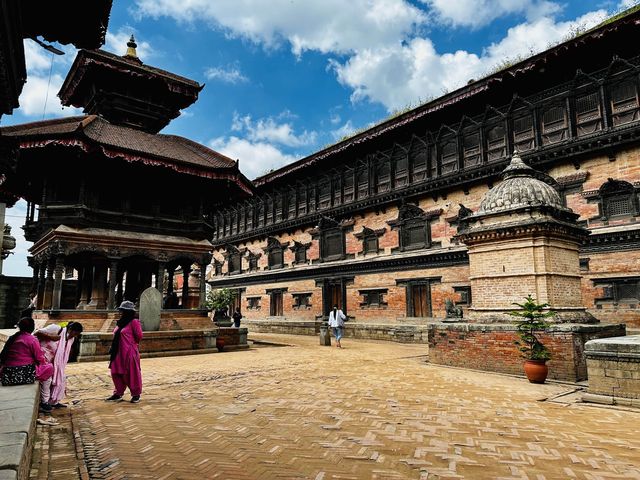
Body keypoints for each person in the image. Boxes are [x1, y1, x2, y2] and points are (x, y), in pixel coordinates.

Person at [0, 318, 54, 409]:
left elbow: (3, 356)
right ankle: (44, 402)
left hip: (7, 375)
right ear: (32, 328)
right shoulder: (32, 339)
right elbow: (39, 358)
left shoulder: (12, 338)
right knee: (49, 368)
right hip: (25, 374)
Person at [35, 321, 84, 409]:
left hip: (54, 362)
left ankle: (54, 401)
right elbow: (36, 333)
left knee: (61, 379)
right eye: (75, 333)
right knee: (47, 380)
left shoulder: (71, 339)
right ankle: (44, 402)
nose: (75, 335)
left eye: (77, 334)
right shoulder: (56, 329)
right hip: (42, 358)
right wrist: (51, 337)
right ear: (70, 329)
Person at [106, 300, 143, 403]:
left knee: (131, 373)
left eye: (123, 311)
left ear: (129, 312)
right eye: (121, 310)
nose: (121, 312)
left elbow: (139, 336)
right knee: (115, 372)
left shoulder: (134, 322)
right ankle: (118, 393)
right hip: (117, 352)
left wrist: (130, 344)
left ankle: (136, 393)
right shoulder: (120, 323)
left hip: (129, 352)